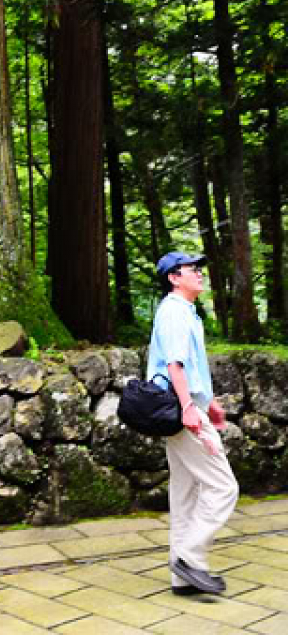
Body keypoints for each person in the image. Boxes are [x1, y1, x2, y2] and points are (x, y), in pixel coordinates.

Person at [147, 250, 239, 596]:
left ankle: (183, 578)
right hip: (179, 407)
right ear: (174, 277)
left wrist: (210, 404)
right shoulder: (173, 311)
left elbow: (191, 366)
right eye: (192, 269)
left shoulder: (185, 311)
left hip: (183, 406)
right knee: (223, 486)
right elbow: (175, 364)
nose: (199, 274)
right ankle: (188, 557)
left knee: (186, 491)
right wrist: (189, 407)